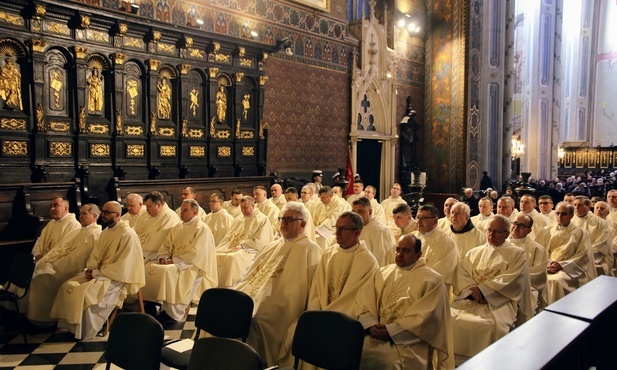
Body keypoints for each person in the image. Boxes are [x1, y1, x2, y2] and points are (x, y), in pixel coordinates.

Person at [235, 202, 321, 366]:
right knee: (230, 308)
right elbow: (250, 275)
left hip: (283, 306)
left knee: (255, 320)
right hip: (254, 295)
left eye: (289, 219)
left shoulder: (310, 249)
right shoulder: (273, 245)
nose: (284, 223)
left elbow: (309, 289)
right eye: (282, 218)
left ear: (302, 224)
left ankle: (255, 363)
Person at [355, 234, 454, 370]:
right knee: (350, 351)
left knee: (389, 362)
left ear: (418, 255)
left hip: (408, 343)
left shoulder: (432, 281)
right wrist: (370, 325)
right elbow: (363, 302)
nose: (400, 254)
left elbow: (426, 319)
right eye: (398, 250)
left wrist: (391, 331)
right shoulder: (382, 273)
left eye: (406, 251)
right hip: (374, 334)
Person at [50, 201, 145, 340]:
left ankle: (85, 331)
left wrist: (96, 273)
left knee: (86, 293)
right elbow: (95, 254)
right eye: (103, 211)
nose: (103, 215)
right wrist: (91, 269)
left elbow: (123, 266)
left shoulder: (127, 234)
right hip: (99, 273)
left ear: (118, 215)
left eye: (107, 212)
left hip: (115, 278)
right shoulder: (107, 231)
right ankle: (72, 328)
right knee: (67, 286)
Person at [450, 215, 532, 364]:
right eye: (489, 230)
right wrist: (472, 290)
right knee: (448, 317)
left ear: (507, 234)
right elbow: (462, 274)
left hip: (498, 302)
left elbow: (512, 280)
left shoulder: (516, 254)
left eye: (497, 232)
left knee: (487, 326)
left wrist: (483, 291)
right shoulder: (475, 252)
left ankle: (487, 363)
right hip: (470, 298)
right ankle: (452, 362)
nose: (491, 235)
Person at [18, 204, 102, 328]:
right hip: (57, 264)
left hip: (70, 269)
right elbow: (59, 248)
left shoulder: (96, 234)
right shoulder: (78, 230)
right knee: (31, 273)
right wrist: (46, 261)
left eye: (84, 214)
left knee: (39, 279)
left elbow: (83, 258)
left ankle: (41, 321)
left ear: (94, 216)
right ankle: (23, 314)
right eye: (80, 213)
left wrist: (57, 266)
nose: (80, 216)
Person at [141, 199, 217, 322]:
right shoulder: (178, 226)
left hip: (189, 265)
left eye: (185, 210)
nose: (181, 213)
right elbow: (166, 245)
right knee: (150, 268)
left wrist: (174, 261)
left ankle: (173, 313)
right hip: (175, 262)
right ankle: (151, 303)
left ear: (195, 212)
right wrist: (164, 257)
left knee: (166, 272)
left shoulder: (202, 228)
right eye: (181, 210)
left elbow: (197, 253)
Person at [543, 202, 597, 305]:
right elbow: (541, 251)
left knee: (555, 281)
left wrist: (561, 265)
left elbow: (583, 255)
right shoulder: (547, 230)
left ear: (572, 215)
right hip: (548, 266)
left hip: (568, 269)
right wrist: (547, 264)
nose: (559, 217)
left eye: (564, 214)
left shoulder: (581, 233)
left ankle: (558, 309)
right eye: (557, 213)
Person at [215, 196, 273, 287]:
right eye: (241, 207)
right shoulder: (239, 218)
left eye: (245, 207)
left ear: (253, 206)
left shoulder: (262, 219)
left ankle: (230, 287)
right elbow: (230, 235)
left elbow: (262, 241)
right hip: (234, 246)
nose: (243, 210)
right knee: (216, 253)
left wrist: (243, 246)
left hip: (251, 249)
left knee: (232, 258)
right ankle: (216, 286)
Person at [508, 213, 549, 309]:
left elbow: (537, 275)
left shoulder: (536, 249)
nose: (516, 227)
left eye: (521, 226)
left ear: (529, 231)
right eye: (515, 223)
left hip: (523, 288)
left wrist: (512, 281)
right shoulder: (501, 244)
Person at [413, 204, 458, 288]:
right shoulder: (413, 238)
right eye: (418, 217)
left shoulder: (446, 243)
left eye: (423, 218)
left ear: (435, 221)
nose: (419, 221)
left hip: (433, 290)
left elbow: (440, 273)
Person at [572, 196, 613, 276]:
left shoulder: (600, 223)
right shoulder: (570, 221)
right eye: (575, 205)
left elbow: (601, 246)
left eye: (580, 205)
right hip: (570, 259)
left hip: (592, 260)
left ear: (589, 206)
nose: (576, 207)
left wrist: (579, 258)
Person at [135, 191, 181, 261]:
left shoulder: (169, 217)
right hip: (141, 250)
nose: (147, 210)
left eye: (149, 206)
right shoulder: (145, 215)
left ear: (158, 205)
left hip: (155, 254)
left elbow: (159, 244)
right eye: (146, 207)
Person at [352, 197, 396, 267]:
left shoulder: (381, 231)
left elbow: (383, 260)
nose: (356, 215)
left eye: (361, 211)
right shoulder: (353, 229)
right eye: (354, 212)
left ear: (370, 211)